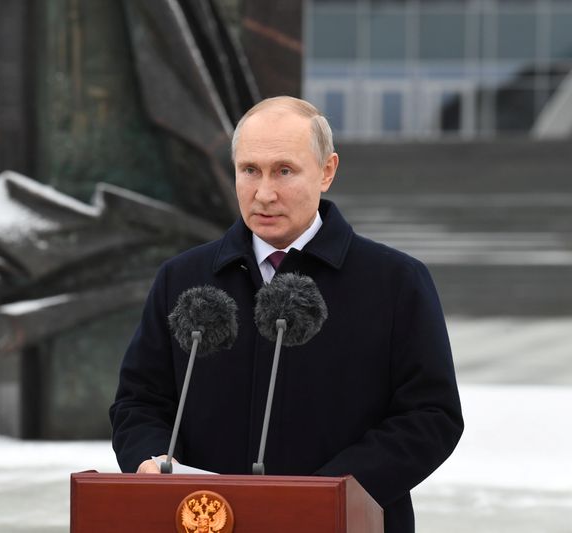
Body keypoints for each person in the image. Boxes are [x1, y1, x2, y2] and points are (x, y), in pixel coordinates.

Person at [109, 96, 464, 533]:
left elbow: (431, 416)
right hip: (204, 520)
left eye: (284, 171)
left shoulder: (395, 281)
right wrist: (150, 460)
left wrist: (333, 492)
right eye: (249, 170)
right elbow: (139, 401)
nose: (264, 193)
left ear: (327, 171)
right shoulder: (180, 277)